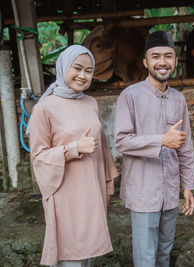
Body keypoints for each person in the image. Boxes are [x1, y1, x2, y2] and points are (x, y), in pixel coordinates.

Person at [29, 45, 119, 266]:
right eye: (77, 68)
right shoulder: (44, 108)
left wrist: (108, 185)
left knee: (87, 259)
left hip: (92, 193)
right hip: (66, 197)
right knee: (69, 258)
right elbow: (38, 158)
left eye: (89, 71)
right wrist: (73, 149)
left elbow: (103, 147)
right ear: (63, 67)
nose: (83, 75)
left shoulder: (90, 103)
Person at [114, 30, 194, 267]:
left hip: (170, 191)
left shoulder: (178, 99)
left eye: (168, 56)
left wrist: (188, 185)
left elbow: (186, 147)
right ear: (146, 62)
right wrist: (161, 140)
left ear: (175, 61)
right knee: (146, 258)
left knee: (164, 254)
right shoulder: (129, 96)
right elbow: (121, 141)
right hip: (143, 191)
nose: (163, 62)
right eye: (156, 56)